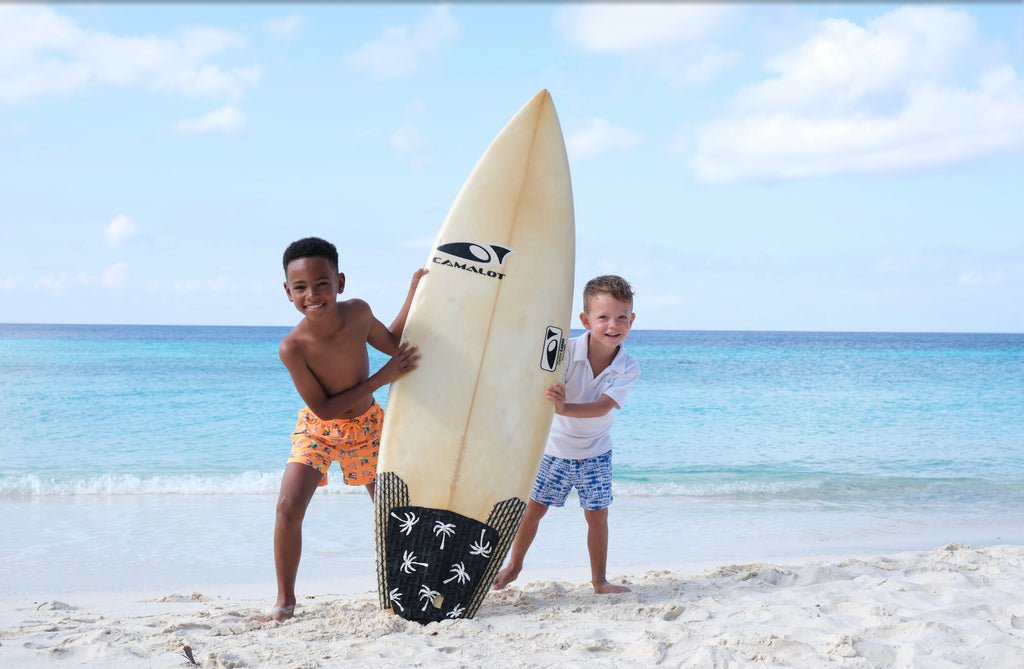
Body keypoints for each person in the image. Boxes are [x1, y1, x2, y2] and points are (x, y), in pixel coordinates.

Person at [263, 237, 427, 622]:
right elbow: (323, 408)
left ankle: (407, 587)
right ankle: (285, 602)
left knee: (391, 510)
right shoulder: (293, 347)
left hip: (367, 428)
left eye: (321, 283)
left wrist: (414, 293)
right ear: (288, 292)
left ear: (340, 282)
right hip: (318, 430)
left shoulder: (358, 313)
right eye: (300, 287)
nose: (312, 294)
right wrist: (383, 379)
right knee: (288, 506)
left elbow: (390, 342)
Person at [493, 275, 640, 594]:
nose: (613, 325)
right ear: (586, 320)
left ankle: (599, 581)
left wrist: (563, 407)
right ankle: (513, 567)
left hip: (596, 454)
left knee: (597, 517)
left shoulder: (628, 366)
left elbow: (603, 406)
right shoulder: (561, 352)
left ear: (632, 320)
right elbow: (529, 377)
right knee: (533, 511)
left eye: (621, 317)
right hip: (554, 451)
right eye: (603, 317)